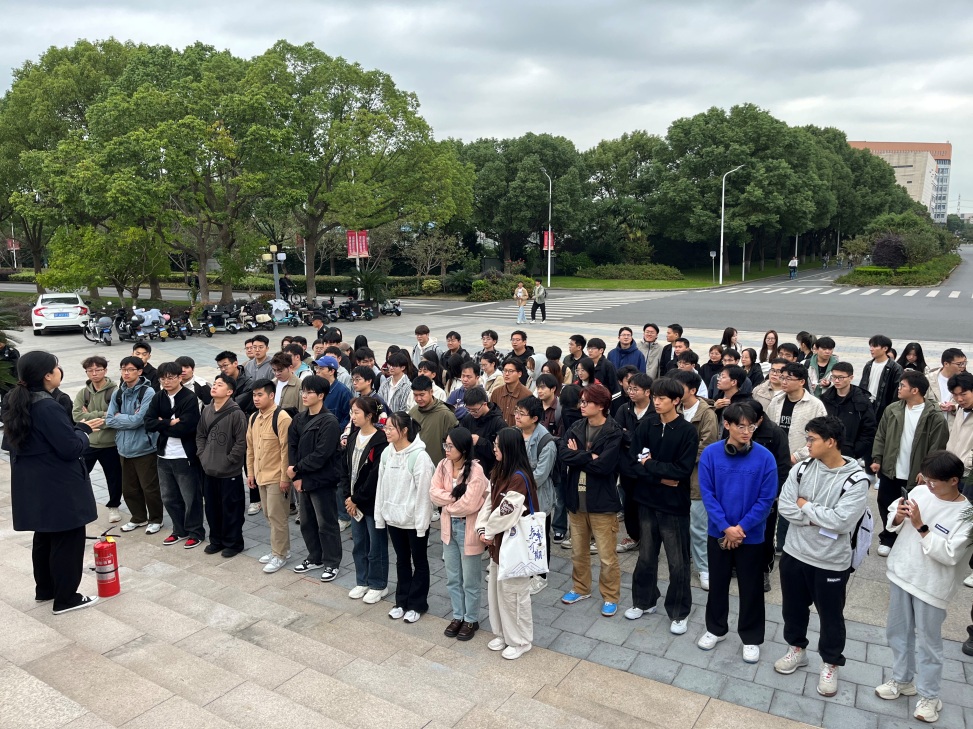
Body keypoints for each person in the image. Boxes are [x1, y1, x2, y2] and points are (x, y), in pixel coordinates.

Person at [775, 416, 870, 698]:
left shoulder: (857, 480)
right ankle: (796, 649)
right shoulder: (802, 468)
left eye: (812, 439)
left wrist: (804, 506)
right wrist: (815, 517)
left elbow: (841, 522)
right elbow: (785, 506)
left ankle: (830, 662)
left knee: (831, 616)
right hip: (794, 552)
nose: (807, 444)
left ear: (831, 442)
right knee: (793, 608)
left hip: (830, 561)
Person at [876, 450, 973, 724]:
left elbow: (950, 555)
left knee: (929, 644)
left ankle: (930, 695)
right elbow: (892, 519)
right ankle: (901, 680)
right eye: (926, 479)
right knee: (898, 633)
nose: (928, 485)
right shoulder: (919, 491)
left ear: (954, 480)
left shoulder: (967, 515)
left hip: (932, 587)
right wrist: (898, 517)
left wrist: (921, 526)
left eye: (934, 481)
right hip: (902, 573)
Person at [2, 351, 99, 614]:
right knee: (68, 538)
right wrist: (83, 431)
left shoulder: (14, 399)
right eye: (56, 367)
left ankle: (45, 589)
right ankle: (66, 598)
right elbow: (70, 448)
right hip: (58, 485)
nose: (59, 371)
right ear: (47, 375)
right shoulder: (46, 406)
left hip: (32, 482)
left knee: (44, 535)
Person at [696, 403, 778, 662]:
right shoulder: (711, 454)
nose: (746, 432)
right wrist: (726, 528)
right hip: (718, 532)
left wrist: (740, 529)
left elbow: (766, 500)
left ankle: (751, 638)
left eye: (751, 426)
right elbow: (707, 494)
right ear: (727, 425)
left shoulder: (765, 457)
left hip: (750, 536)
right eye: (740, 426)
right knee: (718, 583)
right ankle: (715, 629)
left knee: (751, 588)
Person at [623, 377, 699, 634]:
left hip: (674, 507)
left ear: (676, 401)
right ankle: (643, 601)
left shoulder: (687, 431)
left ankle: (679, 612)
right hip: (646, 501)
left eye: (662, 398)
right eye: (654, 397)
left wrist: (650, 465)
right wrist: (659, 476)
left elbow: (681, 471)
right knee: (646, 556)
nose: (656, 402)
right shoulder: (647, 425)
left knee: (678, 562)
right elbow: (633, 463)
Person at [558, 383, 624, 617]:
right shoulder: (576, 426)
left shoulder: (613, 431)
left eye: (586, 402)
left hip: (602, 503)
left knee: (607, 557)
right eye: (581, 401)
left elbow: (605, 466)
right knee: (578, 552)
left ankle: (610, 595)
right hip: (576, 501)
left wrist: (577, 455)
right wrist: (588, 456)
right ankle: (580, 588)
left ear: (602, 405)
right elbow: (563, 454)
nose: (582, 406)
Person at [476, 427, 540, 659]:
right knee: (497, 592)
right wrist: (482, 528)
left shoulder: (519, 477)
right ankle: (503, 633)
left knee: (514, 595)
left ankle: (521, 640)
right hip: (499, 545)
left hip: (515, 547)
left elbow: (508, 511)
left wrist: (489, 531)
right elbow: (489, 504)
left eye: (497, 445)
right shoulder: (499, 471)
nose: (494, 448)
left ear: (509, 448)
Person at [871, 371, 949, 556]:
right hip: (891, 469)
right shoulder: (892, 410)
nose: (898, 388)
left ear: (915, 390)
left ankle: (908, 541)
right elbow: (881, 435)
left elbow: (937, 447)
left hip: (917, 473)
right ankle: (888, 538)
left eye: (902, 386)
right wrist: (877, 459)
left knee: (913, 508)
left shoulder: (934, 416)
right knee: (886, 503)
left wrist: (927, 471)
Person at [376, 412, 435, 623]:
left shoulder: (420, 457)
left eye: (391, 428)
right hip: (394, 518)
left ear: (404, 430)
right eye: (386, 427)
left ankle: (418, 604)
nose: (386, 431)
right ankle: (401, 602)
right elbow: (381, 487)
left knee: (419, 561)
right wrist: (380, 516)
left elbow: (424, 495)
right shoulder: (386, 453)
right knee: (401, 560)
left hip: (414, 520)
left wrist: (421, 524)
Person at [430, 426, 489, 640]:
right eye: (445, 445)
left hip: (468, 528)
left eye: (450, 446)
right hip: (448, 528)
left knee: (470, 580)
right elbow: (433, 493)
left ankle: (471, 619)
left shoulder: (476, 470)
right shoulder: (442, 465)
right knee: (453, 577)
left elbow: (470, 504)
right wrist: (453, 498)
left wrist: (447, 505)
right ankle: (458, 615)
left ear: (463, 448)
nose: (446, 449)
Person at [287, 375, 343, 579]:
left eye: (309, 392)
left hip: (322, 480)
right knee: (307, 522)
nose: (304, 395)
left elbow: (322, 454)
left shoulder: (329, 422)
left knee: (326, 523)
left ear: (321, 395)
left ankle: (332, 562)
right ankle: (314, 557)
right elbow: (292, 446)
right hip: (302, 479)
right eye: (303, 391)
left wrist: (297, 469)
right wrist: (295, 474)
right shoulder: (299, 419)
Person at [145, 361, 204, 549]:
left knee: (190, 497)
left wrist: (161, 423)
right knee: (169, 497)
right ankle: (179, 530)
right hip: (163, 456)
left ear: (180, 377)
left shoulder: (189, 397)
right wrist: (169, 423)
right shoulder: (158, 397)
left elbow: (186, 428)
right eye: (162, 378)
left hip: (184, 456)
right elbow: (148, 422)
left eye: (170, 378)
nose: (166, 382)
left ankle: (196, 532)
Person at [670, 369, 719, 591]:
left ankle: (704, 568)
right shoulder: (675, 409)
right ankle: (683, 561)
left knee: (699, 526)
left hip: (698, 478)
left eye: (678, 387)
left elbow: (708, 446)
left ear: (692, 390)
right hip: (676, 477)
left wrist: (680, 457)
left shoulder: (707, 414)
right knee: (678, 524)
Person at [105, 356, 163, 534]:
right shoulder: (118, 393)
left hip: (144, 448)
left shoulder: (148, 392)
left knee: (149, 487)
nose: (126, 373)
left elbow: (140, 420)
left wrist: (120, 417)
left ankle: (156, 519)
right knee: (129, 489)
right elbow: (109, 419)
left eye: (130, 369)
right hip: (123, 448)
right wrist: (128, 419)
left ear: (139, 371)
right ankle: (138, 517)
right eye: (123, 369)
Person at [342, 397, 390, 603]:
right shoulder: (353, 436)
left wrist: (356, 498)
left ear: (369, 416)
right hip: (353, 501)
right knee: (359, 543)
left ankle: (379, 584)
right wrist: (347, 496)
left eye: (357, 413)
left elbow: (374, 476)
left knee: (376, 544)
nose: (352, 416)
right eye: (352, 412)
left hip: (371, 501)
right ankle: (362, 581)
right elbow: (345, 468)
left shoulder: (380, 440)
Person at [196, 374, 248, 558]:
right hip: (209, 469)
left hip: (229, 472)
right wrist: (202, 455)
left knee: (231, 509)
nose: (214, 386)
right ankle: (216, 540)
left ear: (229, 391)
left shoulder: (236, 413)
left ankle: (234, 543)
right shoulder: (207, 409)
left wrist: (229, 460)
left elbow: (241, 442)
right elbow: (200, 435)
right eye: (214, 383)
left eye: (220, 384)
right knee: (212, 508)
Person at [246, 378, 293, 573]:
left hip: (276, 477)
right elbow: (250, 448)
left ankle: (280, 554)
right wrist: (250, 473)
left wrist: (285, 478)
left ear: (271, 395)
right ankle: (279, 549)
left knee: (277, 516)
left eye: (260, 395)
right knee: (268, 515)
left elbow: (286, 450)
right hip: (260, 475)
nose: (256, 399)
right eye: (254, 395)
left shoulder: (282, 418)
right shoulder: (253, 418)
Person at [515, 396, 558, 596]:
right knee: (520, 534)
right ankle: (523, 568)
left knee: (538, 537)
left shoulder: (546, 442)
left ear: (534, 418)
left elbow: (540, 475)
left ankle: (540, 576)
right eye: (516, 412)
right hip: (516, 496)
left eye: (521, 414)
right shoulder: (515, 434)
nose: (517, 416)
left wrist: (516, 483)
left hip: (538, 498)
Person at [73, 356, 123, 523]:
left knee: (114, 477)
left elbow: (116, 418)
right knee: (79, 475)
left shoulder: (115, 392)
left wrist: (90, 417)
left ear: (105, 370)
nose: (94, 373)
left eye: (98, 370)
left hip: (111, 443)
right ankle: (78, 504)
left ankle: (114, 507)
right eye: (90, 370)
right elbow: (77, 416)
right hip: (89, 442)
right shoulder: (84, 392)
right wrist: (102, 414)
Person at [614, 372, 655, 553]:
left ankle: (649, 540)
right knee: (629, 504)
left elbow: (652, 440)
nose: (630, 392)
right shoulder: (624, 409)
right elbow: (617, 433)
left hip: (648, 467)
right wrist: (634, 438)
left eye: (635, 389)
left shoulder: (655, 411)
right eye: (629, 388)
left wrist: (629, 436)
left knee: (647, 505)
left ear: (647, 392)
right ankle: (633, 536)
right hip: (627, 467)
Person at [767, 363, 828, 464]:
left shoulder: (816, 405)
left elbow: (821, 436)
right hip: (776, 459)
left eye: (788, 379)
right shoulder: (776, 401)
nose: (784, 382)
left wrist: (797, 457)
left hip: (803, 462)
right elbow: (768, 429)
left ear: (802, 382)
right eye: (782, 378)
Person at [821, 362, 877, 462]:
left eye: (841, 377)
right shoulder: (825, 398)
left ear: (851, 378)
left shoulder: (862, 401)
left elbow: (869, 430)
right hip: (826, 452)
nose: (836, 381)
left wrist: (855, 451)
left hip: (850, 455)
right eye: (834, 377)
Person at [409, 375, 459, 467]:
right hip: (416, 465)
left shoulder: (445, 414)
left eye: (422, 395)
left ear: (431, 392)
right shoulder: (413, 412)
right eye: (415, 395)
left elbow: (455, 445)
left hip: (439, 466)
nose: (418, 399)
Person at [859, 334, 904, 423]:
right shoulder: (868, 365)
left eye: (875, 346)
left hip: (883, 407)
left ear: (885, 348)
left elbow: (896, 392)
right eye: (870, 346)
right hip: (867, 404)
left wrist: (892, 410)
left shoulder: (895, 368)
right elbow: (862, 385)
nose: (871, 349)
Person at [925, 348, 966, 428]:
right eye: (959, 364)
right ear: (946, 364)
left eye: (964, 363)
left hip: (955, 428)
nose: (963, 367)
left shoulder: (966, 381)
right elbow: (920, 401)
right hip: (932, 426)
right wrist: (937, 406)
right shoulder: (928, 379)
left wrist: (954, 407)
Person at [491, 359, 532, 427]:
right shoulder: (496, 392)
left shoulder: (527, 395)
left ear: (519, 374)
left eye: (510, 371)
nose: (506, 374)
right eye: (505, 371)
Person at [314, 355, 352, 430]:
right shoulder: (315, 388)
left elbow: (348, 418)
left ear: (331, 371)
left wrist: (336, 431)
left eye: (321, 368)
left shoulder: (343, 392)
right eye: (316, 368)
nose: (317, 371)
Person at [271, 352, 304, 416]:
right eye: (274, 370)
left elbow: (303, 411)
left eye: (280, 370)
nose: (277, 374)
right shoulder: (272, 384)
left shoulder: (300, 385)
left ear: (290, 368)